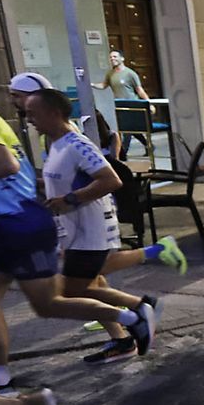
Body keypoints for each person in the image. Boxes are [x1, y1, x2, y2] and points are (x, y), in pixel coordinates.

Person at [0, 52, 155, 397]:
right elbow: (24, 175)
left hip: (40, 226)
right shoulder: (34, 137)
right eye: (21, 107)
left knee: (57, 299)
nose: (26, 117)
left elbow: (10, 166)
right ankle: (0, 380)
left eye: (30, 109)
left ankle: (135, 316)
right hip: (10, 225)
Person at [25, 88, 166, 366]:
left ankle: (139, 309)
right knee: (82, 287)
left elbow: (111, 180)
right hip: (72, 234)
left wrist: (69, 199)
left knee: (71, 291)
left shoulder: (78, 144)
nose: (28, 119)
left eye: (32, 113)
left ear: (54, 113)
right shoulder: (54, 144)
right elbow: (62, 181)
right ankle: (127, 332)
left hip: (90, 233)